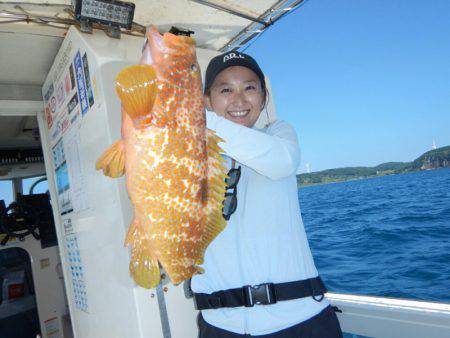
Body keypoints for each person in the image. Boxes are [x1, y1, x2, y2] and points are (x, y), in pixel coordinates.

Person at [190, 51, 343, 338]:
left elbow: (281, 161)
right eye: (225, 90)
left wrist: (197, 119)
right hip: (219, 327)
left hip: (300, 322)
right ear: (207, 100)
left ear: (263, 98)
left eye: (250, 88)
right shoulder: (191, 157)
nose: (238, 99)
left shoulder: (279, 134)